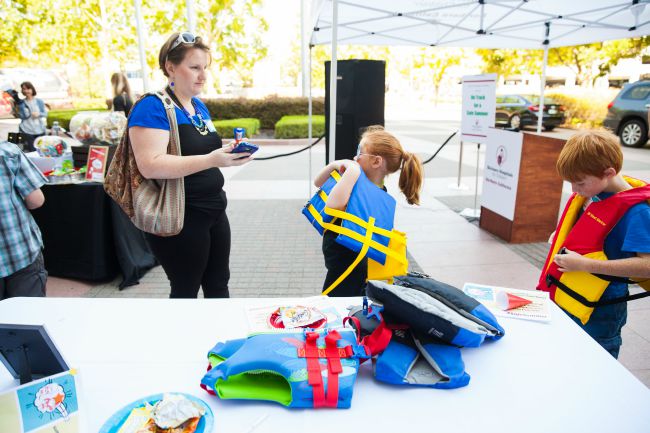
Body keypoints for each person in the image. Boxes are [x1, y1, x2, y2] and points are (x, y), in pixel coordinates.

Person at [128, 32, 253, 299]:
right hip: (180, 215)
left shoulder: (198, 106)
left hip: (214, 209)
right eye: (195, 67)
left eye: (205, 67)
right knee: (185, 290)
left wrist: (228, 152)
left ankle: (221, 328)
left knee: (218, 284)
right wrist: (212, 159)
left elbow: (200, 150)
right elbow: (150, 165)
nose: (203, 75)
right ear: (170, 67)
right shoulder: (152, 106)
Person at [549, 129, 650, 358]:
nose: (574, 190)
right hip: (573, 295)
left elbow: (647, 265)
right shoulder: (594, 191)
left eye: (580, 183)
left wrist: (585, 264)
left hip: (603, 307)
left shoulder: (638, 213)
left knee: (596, 357)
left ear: (609, 173)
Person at [312, 126, 424, 296]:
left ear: (376, 162)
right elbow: (319, 183)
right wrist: (335, 165)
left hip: (349, 264)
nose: (355, 157)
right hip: (344, 259)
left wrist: (352, 172)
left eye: (360, 152)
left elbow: (332, 206)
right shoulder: (359, 183)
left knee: (338, 300)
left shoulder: (367, 190)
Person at [0, 140, 48, 300]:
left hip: (17, 253)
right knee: (28, 311)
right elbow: (36, 200)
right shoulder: (7, 152)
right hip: (19, 251)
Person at [17, 81, 47, 152]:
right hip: (27, 130)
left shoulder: (39, 101)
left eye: (28, 88)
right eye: (24, 89)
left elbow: (45, 114)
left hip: (40, 130)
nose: (26, 91)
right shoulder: (21, 103)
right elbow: (21, 116)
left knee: (42, 150)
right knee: (31, 151)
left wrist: (38, 114)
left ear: (32, 89)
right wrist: (15, 109)